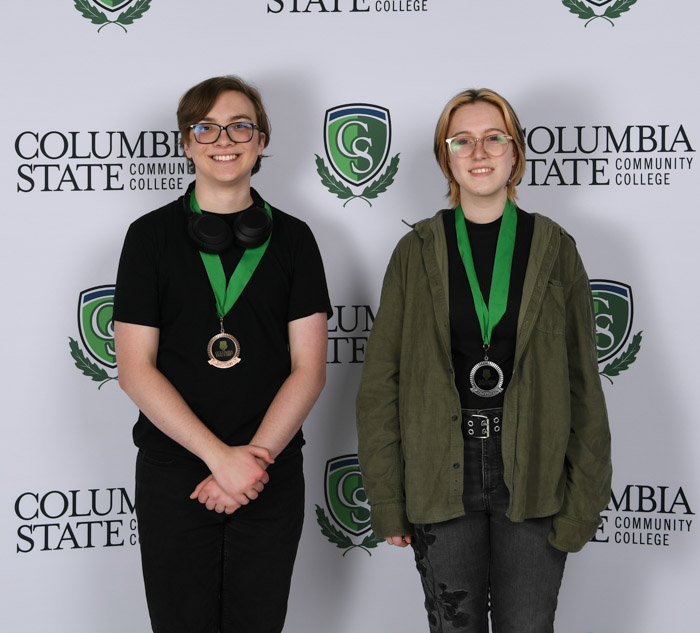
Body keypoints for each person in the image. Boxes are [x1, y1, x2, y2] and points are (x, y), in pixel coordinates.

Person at [356, 88, 612, 633]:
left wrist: (585, 498)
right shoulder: (417, 250)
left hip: (535, 473)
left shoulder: (555, 247)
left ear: (515, 152)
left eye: (495, 137)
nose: (480, 152)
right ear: (445, 156)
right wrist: (387, 498)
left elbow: (583, 383)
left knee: (528, 626)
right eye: (462, 140)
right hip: (439, 471)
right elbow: (382, 382)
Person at [114, 76, 331, 633]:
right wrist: (220, 459)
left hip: (269, 472)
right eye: (204, 127)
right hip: (176, 473)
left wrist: (250, 460)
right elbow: (135, 369)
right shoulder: (149, 237)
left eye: (240, 125)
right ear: (186, 142)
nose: (223, 139)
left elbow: (309, 370)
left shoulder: (296, 239)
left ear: (261, 141)